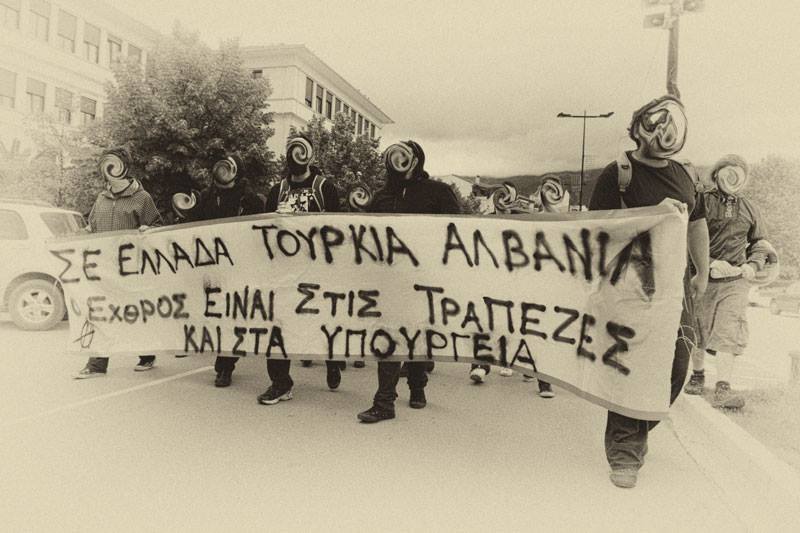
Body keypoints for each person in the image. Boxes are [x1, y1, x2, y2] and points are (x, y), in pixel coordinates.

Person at [588, 95, 709, 489]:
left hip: (676, 286)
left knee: (677, 366)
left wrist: (702, 270)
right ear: (639, 125)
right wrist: (651, 214)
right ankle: (625, 452)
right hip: (631, 286)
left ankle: (639, 428)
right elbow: (597, 229)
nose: (663, 132)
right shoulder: (618, 173)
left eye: (672, 125)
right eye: (655, 123)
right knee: (634, 365)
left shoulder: (687, 173)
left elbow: (697, 222)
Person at [357, 140, 461, 423]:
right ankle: (384, 402)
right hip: (390, 279)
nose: (397, 160)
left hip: (426, 279)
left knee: (419, 334)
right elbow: (366, 237)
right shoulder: (380, 197)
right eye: (393, 156)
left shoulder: (438, 192)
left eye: (404, 155)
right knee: (390, 335)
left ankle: (417, 386)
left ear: (416, 159)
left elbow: (458, 232)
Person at [257, 133, 344, 405]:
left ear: (310, 156)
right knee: (278, 324)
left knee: (321, 322)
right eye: (292, 150)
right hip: (284, 271)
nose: (297, 156)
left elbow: (338, 229)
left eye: (302, 150)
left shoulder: (324, 187)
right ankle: (280, 383)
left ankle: (331, 359)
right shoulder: (278, 190)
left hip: (317, 270)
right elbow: (266, 227)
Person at [683, 155, 768, 409]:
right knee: (699, 329)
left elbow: (761, 244)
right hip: (702, 278)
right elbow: (686, 238)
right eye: (728, 172)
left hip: (736, 282)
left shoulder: (750, 208)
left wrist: (753, 265)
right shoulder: (702, 202)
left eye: (740, 173)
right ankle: (697, 376)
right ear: (717, 173)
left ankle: (723, 389)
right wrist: (707, 264)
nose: (734, 178)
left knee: (728, 330)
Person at [74, 147, 163, 379]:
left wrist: (149, 229)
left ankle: (146, 354)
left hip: (131, 268)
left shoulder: (143, 198)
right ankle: (97, 364)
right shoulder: (101, 198)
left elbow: (157, 227)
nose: (108, 168)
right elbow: (92, 227)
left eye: (112, 163)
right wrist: (81, 233)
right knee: (101, 313)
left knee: (135, 312)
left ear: (123, 167)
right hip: (103, 268)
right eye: (105, 164)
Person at [179, 154, 265, 388]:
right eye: (218, 168)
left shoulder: (249, 199)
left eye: (227, 168)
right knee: (214, 314)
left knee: (231, 315)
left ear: (236, 172)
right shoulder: (205, 197)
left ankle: (225, 365)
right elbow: (190, 225)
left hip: (238, 267)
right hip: (210, 266)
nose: (222, 172)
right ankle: (223, 355)